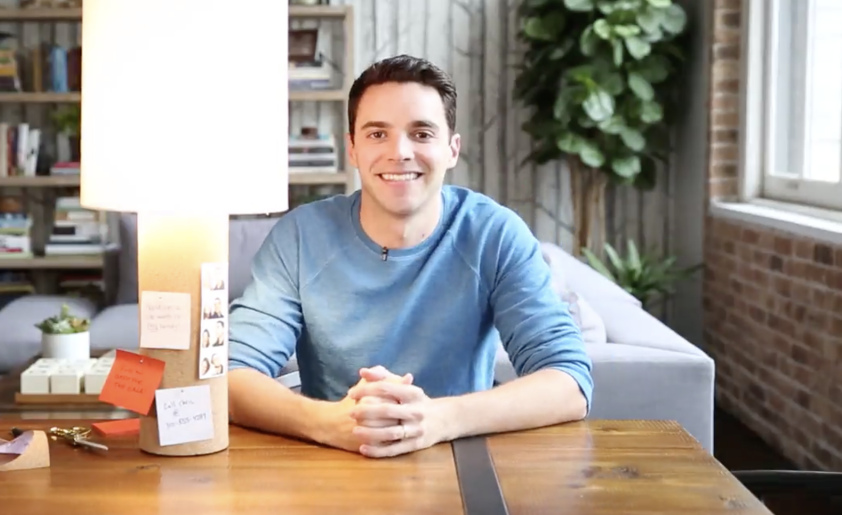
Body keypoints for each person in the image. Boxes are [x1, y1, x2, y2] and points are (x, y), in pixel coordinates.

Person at [227, 54, 593, 458]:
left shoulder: (494, 233)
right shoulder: (300, 235)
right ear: (352, 147)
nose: (399, 152)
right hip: (330, 458)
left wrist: (438, 420)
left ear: (452, 149)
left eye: (421, 134)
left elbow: (569, 382)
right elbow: (227, 371)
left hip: (463, 460)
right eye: (377, 134)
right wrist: (329, 423)